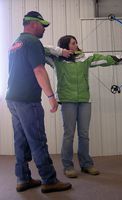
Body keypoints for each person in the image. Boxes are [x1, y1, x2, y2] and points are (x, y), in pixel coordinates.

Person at [45, 35, 122, 178]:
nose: (76, 45)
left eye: (76, 43)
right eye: (73, 43)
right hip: (67, 100)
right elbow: (42, 49)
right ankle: (68, 166)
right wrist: (60, 52)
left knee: (84, 134)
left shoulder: (84, 57)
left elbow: (106, 59)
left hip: (85, 100)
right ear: (65, 45)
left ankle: (86, 164)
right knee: (69, 134)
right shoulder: (56, 60)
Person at [5, 11, 72, 193]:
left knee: (21, 141)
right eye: (43, 25)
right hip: (27, 100)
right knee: (38, 140)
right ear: (33, 23)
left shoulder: (15, 43)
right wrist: (51, 97)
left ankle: (23, 178)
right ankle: (49, 180)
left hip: (12, 98)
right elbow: (39, 70)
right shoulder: (33, 42)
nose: (44, 29)